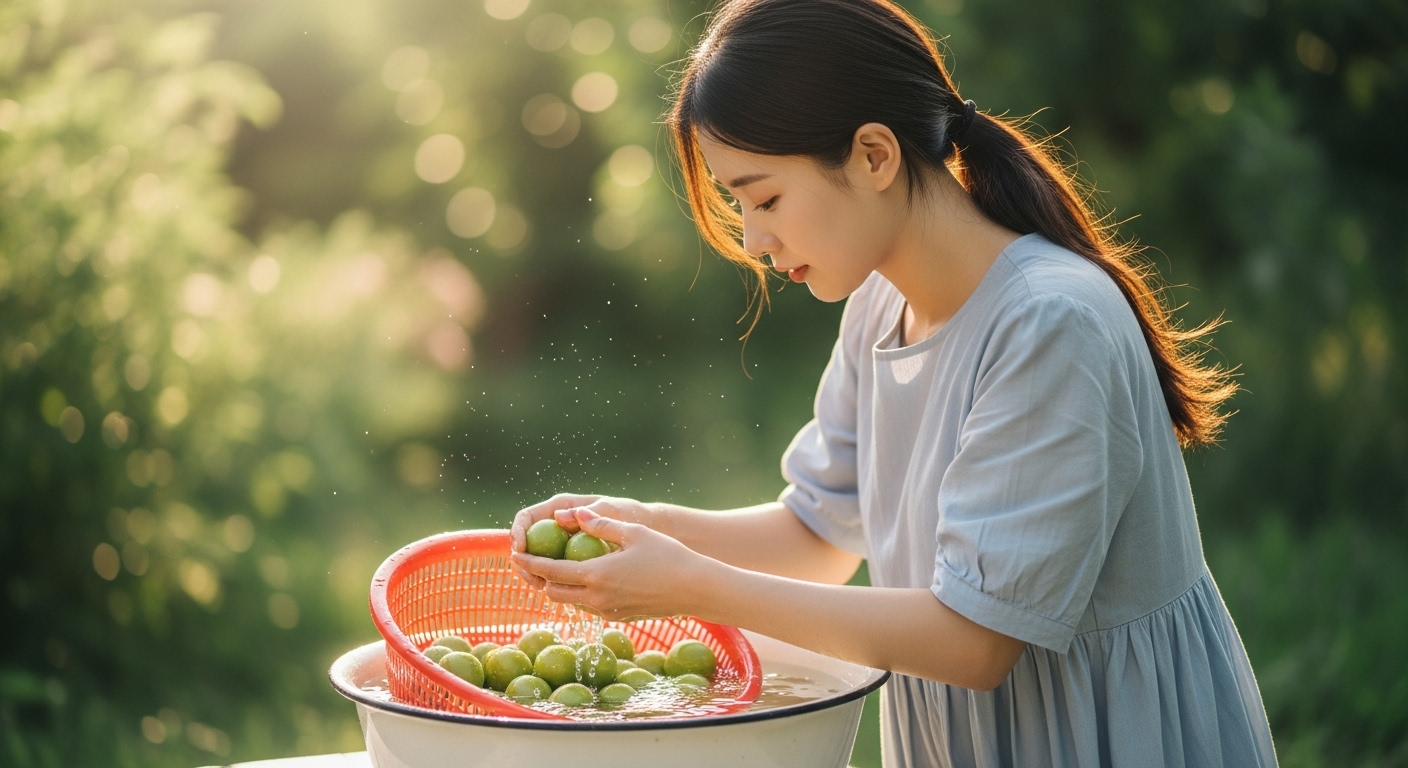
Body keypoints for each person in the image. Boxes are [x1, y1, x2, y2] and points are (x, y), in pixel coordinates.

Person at [510, 0, 1278, 764]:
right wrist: (645, 526)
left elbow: (977, 641)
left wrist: (694, 587)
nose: (754, 239)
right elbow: (817, 532)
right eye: (739, 205)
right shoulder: (881, 303)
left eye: (766, 197)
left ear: (874, 156)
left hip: (1107, 736)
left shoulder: (1050, 322)